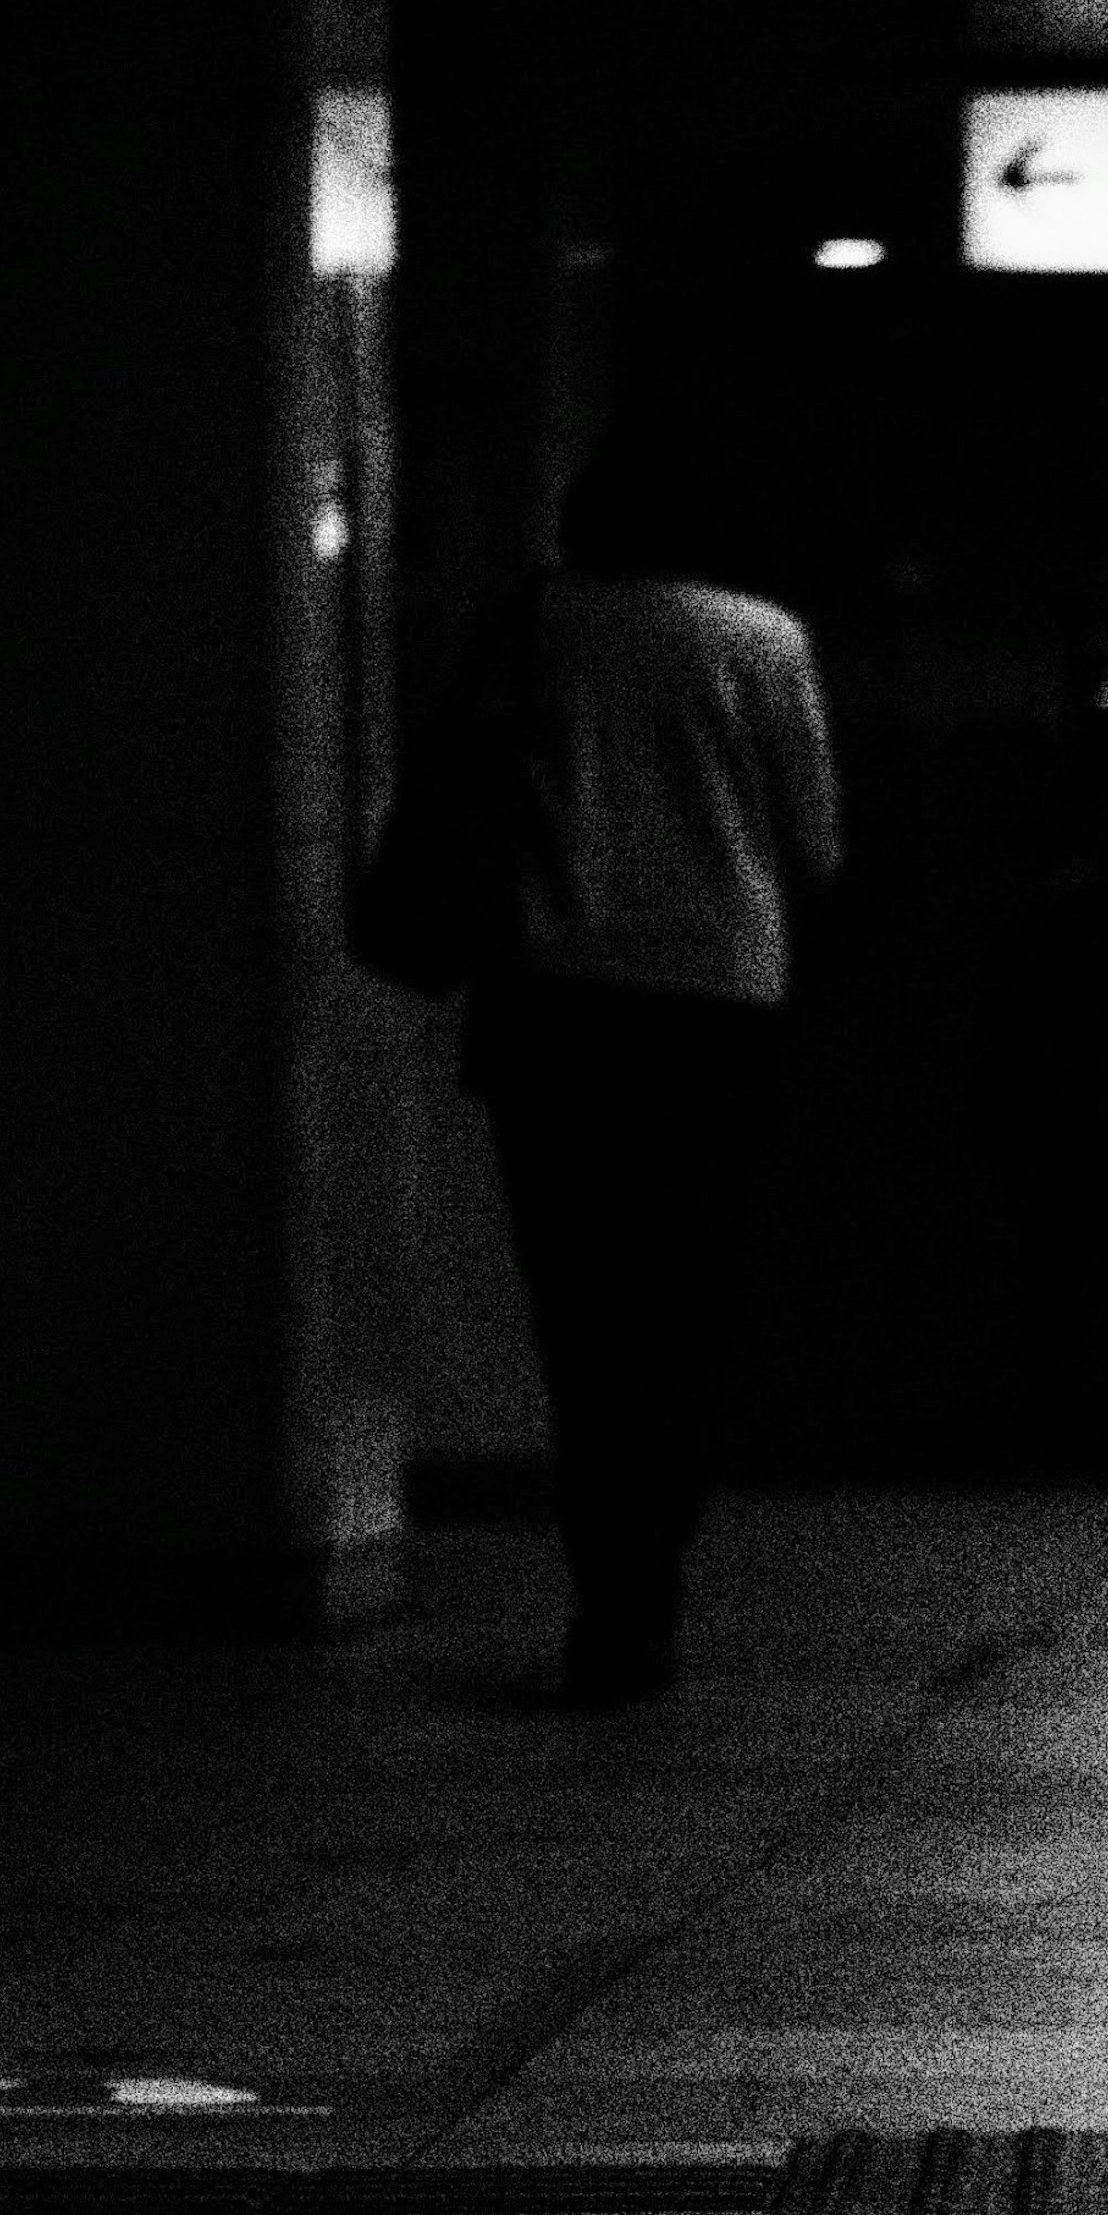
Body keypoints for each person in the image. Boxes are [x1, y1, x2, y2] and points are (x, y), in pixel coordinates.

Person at [393, 433, 840, 1700]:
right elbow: (814, 848)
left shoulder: (530, 624)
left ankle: (614, 1583)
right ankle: (659, 1543)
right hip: (716, 1007)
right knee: (690, 1292)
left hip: (554, 1003)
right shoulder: (764, 642)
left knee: (580, 1303)